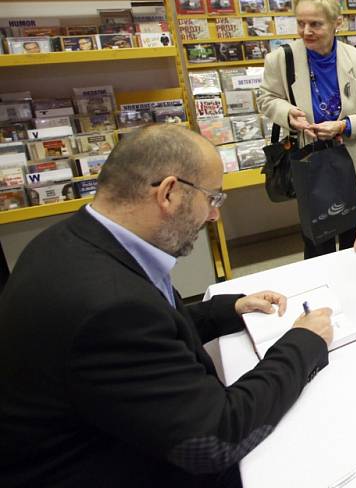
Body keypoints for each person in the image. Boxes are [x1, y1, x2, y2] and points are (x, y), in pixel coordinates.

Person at [0, 124, 333, 488]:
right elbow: (217, 439)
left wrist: (227, 310)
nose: (213, 216)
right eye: (213, 199)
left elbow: (149, 326)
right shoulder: (109, 308)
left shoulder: (72, 241)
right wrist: (303, 342)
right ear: (170, 193)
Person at [258, 0, 356, 259]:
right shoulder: (281, 60)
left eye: (315, 24)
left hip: (351, 159)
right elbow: (266, 99)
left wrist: (344, 125)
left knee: (354, 237)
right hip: (309, 160)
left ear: (336, 23)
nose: (306, 30)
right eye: (301, 23)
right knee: (316, 240)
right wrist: (288, 114)